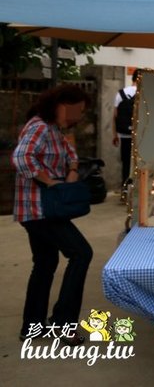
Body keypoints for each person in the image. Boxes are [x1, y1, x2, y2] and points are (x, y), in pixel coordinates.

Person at [12, 84, 93, 347]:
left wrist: (72, 170)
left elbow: (71, 154)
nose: (79, 116)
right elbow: (22, 158)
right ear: (61, 105)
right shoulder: (40, 127)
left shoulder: (55, 130)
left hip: (40, 209)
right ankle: (62, 323)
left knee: (45, 263)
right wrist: (50, 182)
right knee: (81, 253)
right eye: (77, 110)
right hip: (40, 208)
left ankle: (32, 326)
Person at [113, 69, 140, 187]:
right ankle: (137, 189)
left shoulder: (120, 93)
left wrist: (115, 135)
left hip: (124, 134)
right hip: (139, 135)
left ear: (133, 78)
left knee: (126, 163)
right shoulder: (143, 94)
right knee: (138, 164)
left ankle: (125, 189)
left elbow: (115, 116)